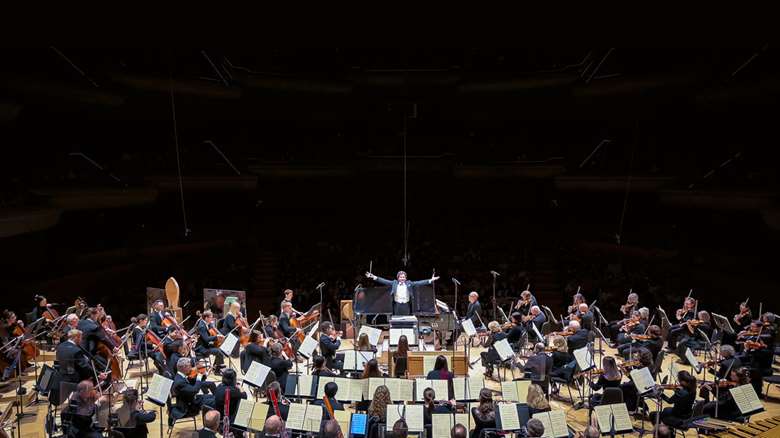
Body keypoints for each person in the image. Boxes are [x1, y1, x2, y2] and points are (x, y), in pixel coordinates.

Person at [365, 270, 439, 316]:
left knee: (406, 320)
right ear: (398, 278)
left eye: (403, 277)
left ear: (406, 278)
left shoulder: (409, 283)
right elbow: (384, 281)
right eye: (400, 277)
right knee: (397, 320)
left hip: (406, 305)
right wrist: (374, 277)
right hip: (397, 305)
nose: (402, 278)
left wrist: (430, 280)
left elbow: (419, 283)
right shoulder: (394, 283)